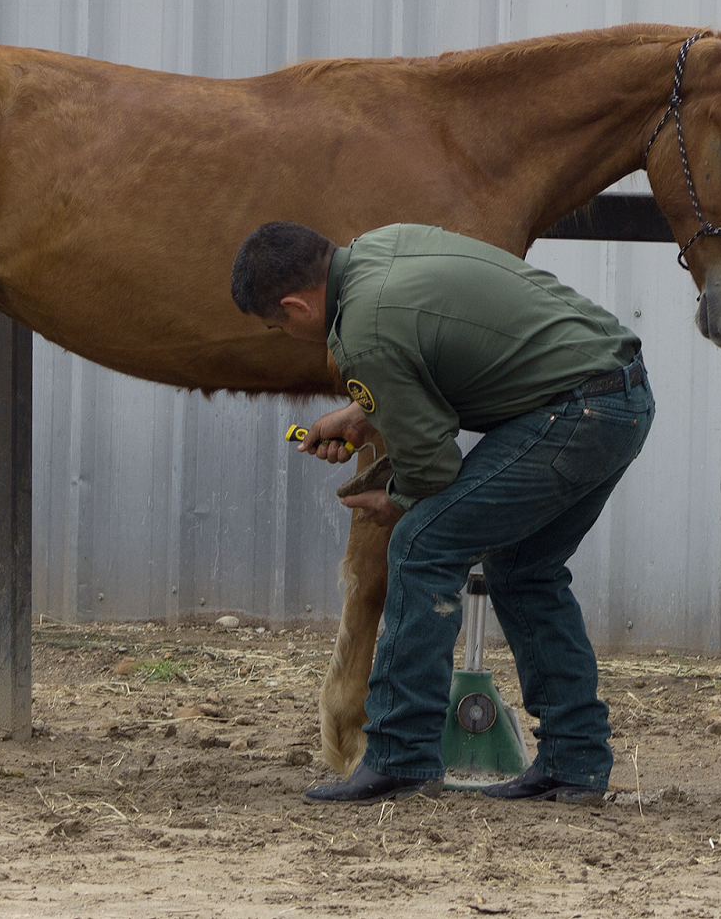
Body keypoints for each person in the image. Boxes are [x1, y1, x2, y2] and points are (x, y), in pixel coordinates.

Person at [230, 220, 654, 804]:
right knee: (524, 570)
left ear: (296, 305)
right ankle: (575, 761)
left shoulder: (361, 335)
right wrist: (363, 413)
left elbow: (432, 467)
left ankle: (400, 756)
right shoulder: (383, 247)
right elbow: (439, 357)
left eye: (279, 326)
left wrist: (398, 500)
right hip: (619, 397)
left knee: (421, 545)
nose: (285, 335)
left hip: (574, 414)